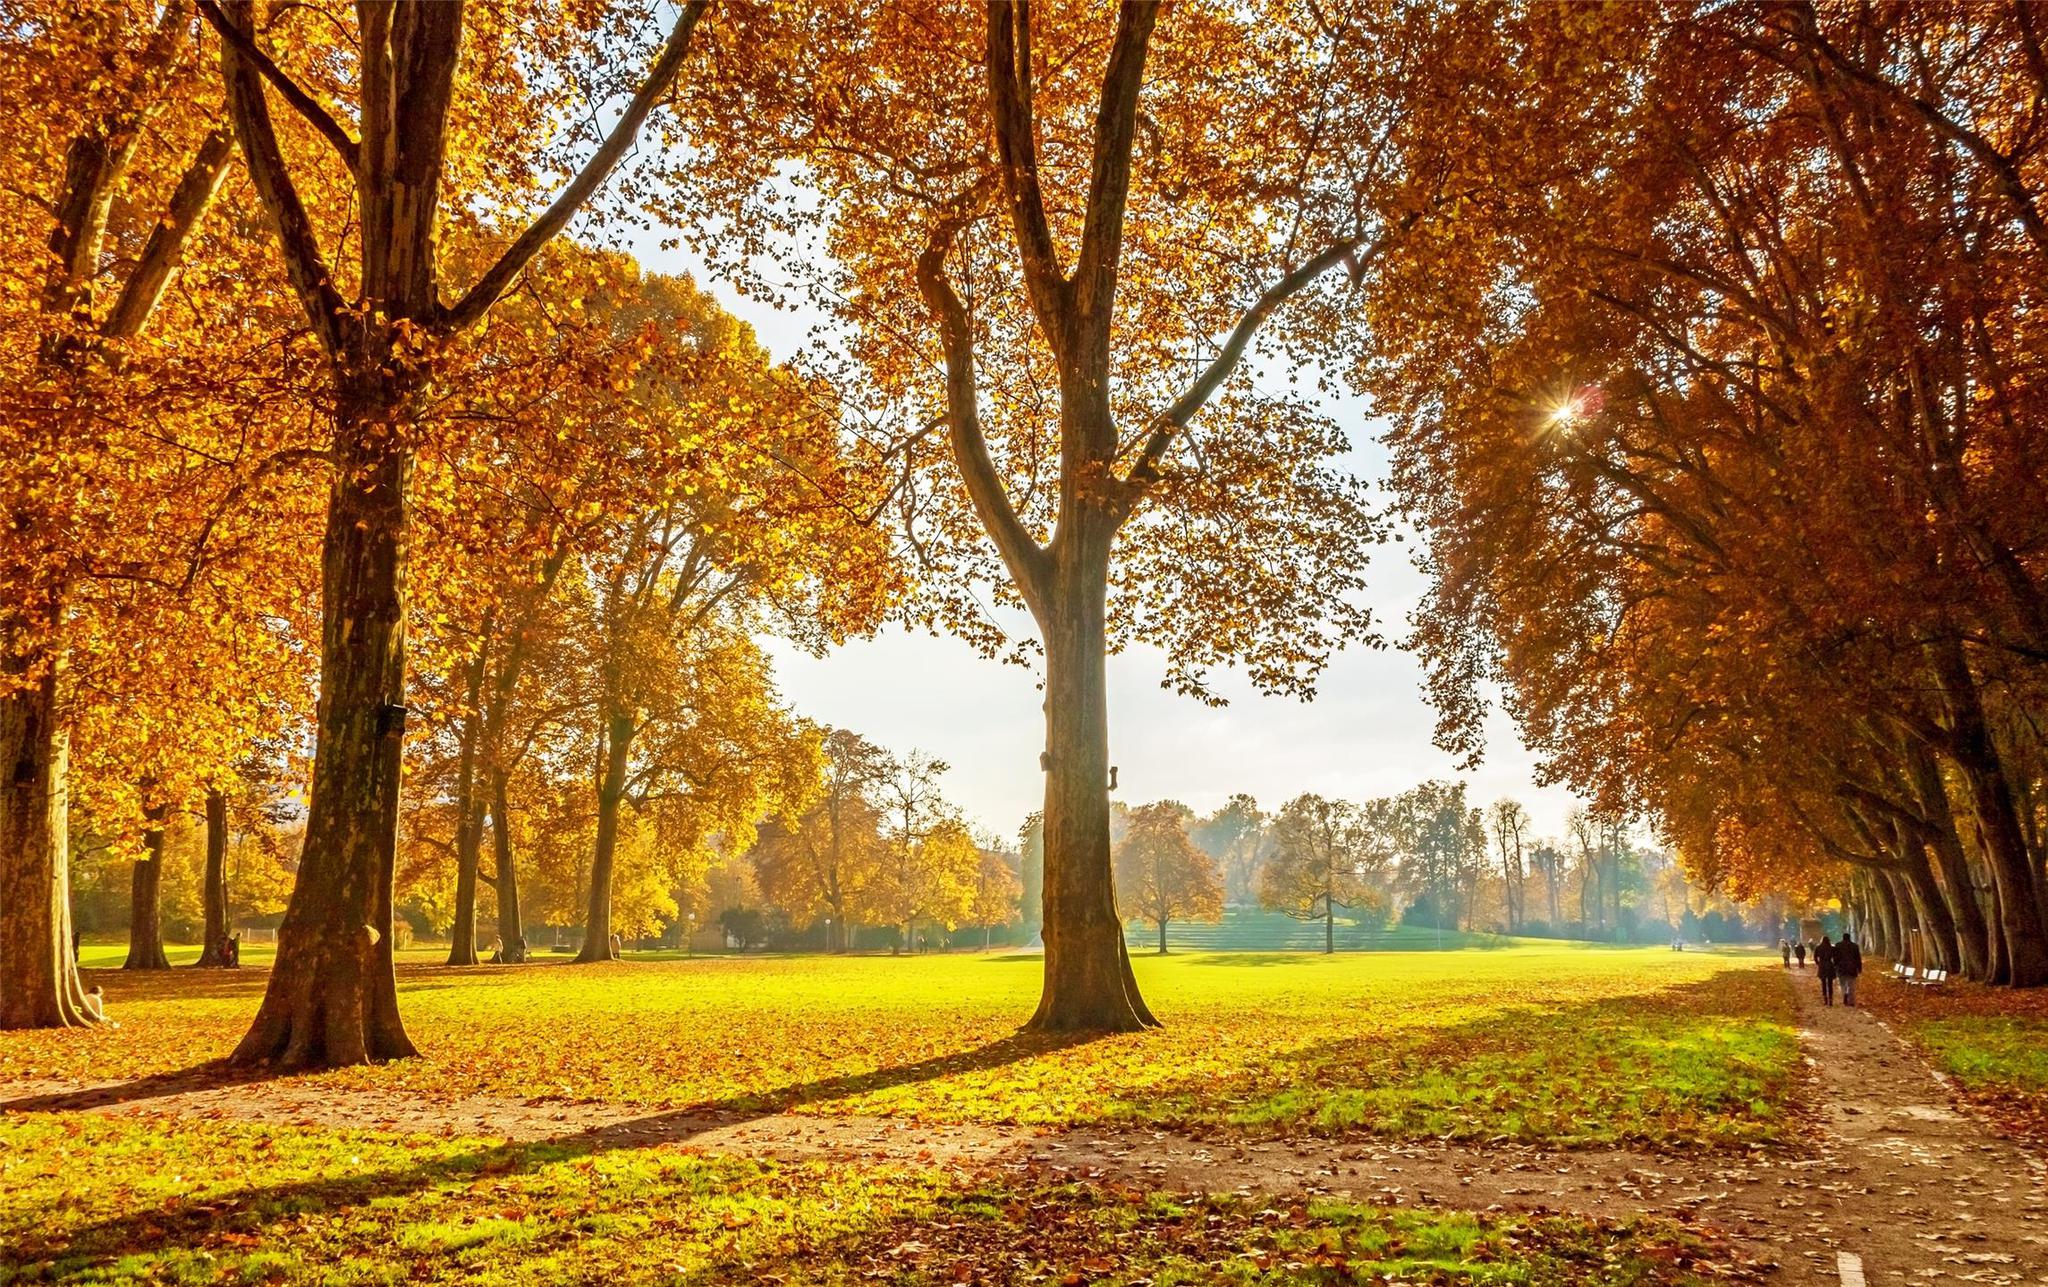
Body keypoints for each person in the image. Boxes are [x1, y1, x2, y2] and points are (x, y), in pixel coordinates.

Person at [1837, 931, 1863, 1006]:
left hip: (1841, 967)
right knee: (1851, 985)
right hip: (1852, 968)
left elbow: (1836, 957)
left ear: (1843, 938)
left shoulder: (1838, 945)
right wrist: (1859, 968)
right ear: (1850, 938)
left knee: (1842, 984)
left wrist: (1835, 966)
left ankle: (1845, 993)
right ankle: (1851, 1001)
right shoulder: (1855, 946)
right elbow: (1858, 958)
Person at [1814, 934, 1838, 1006]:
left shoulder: (1818, 947)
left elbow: (1815, 957)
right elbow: (1836, 957)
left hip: (1822, 965)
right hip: (1829, 965)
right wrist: (1834, 964)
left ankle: (1825, 998)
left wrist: (1818, 963)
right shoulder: (1831, 948)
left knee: (1823, 983)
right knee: (1830, 983)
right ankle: (1830, 999)